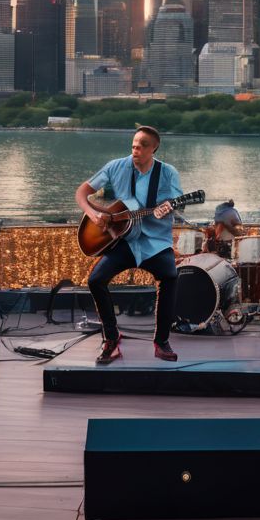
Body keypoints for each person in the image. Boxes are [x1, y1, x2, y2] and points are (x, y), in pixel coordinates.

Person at [76, 126, 182, 364]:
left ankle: (162, 341)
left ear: (154, 148)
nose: (136, 148)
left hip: (155, 242)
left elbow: (177, 202)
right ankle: (111, 339)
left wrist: (168, 208)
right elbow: (82, 192)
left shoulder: (168, 173)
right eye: (134, 144)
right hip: (123, 239)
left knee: (170, 276)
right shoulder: (116, 166)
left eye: (142, 145)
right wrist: (93, 215)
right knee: (95, 280)